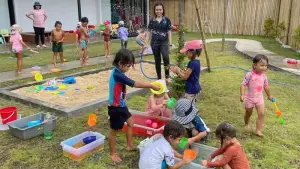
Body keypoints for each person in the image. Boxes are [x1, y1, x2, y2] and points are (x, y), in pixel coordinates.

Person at [108, 48, 160, 163]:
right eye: (128, 65)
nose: (129, 68)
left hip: (121, 105)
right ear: (121, 64)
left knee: (131, 122)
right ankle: (112, 153)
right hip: (115, 108)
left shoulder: (119, 71)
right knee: (114, 130)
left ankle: (129, 145)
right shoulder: (118, 74)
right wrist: (151, 85)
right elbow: (135, 84)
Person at [240, 54, 273, 137]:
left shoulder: (264, 76)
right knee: (248, 112)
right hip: (249, 98)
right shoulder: (249, 75)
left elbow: (266, 87)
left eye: (266, 66)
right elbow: (243, 85)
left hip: (259, 98)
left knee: (261, 114)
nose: (264, 67)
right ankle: (246, 123)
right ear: (254, 65)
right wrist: (242, 95)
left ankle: (258, 130)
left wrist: (269, 95)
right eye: (262, 65)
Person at [148, 2, 172, 82]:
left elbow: (169, 32)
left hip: (164, 42)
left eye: (160, 9)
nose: (158, 11)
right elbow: (149, 32)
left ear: (163, 10)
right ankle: (159, 78)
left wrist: (170, 43)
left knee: (166, 58)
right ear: (155, 11)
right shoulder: (152, 20)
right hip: (154, 43)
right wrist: (147, 43)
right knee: (157, 60)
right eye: (157, 10)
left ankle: (167, 76)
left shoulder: (167, 20)